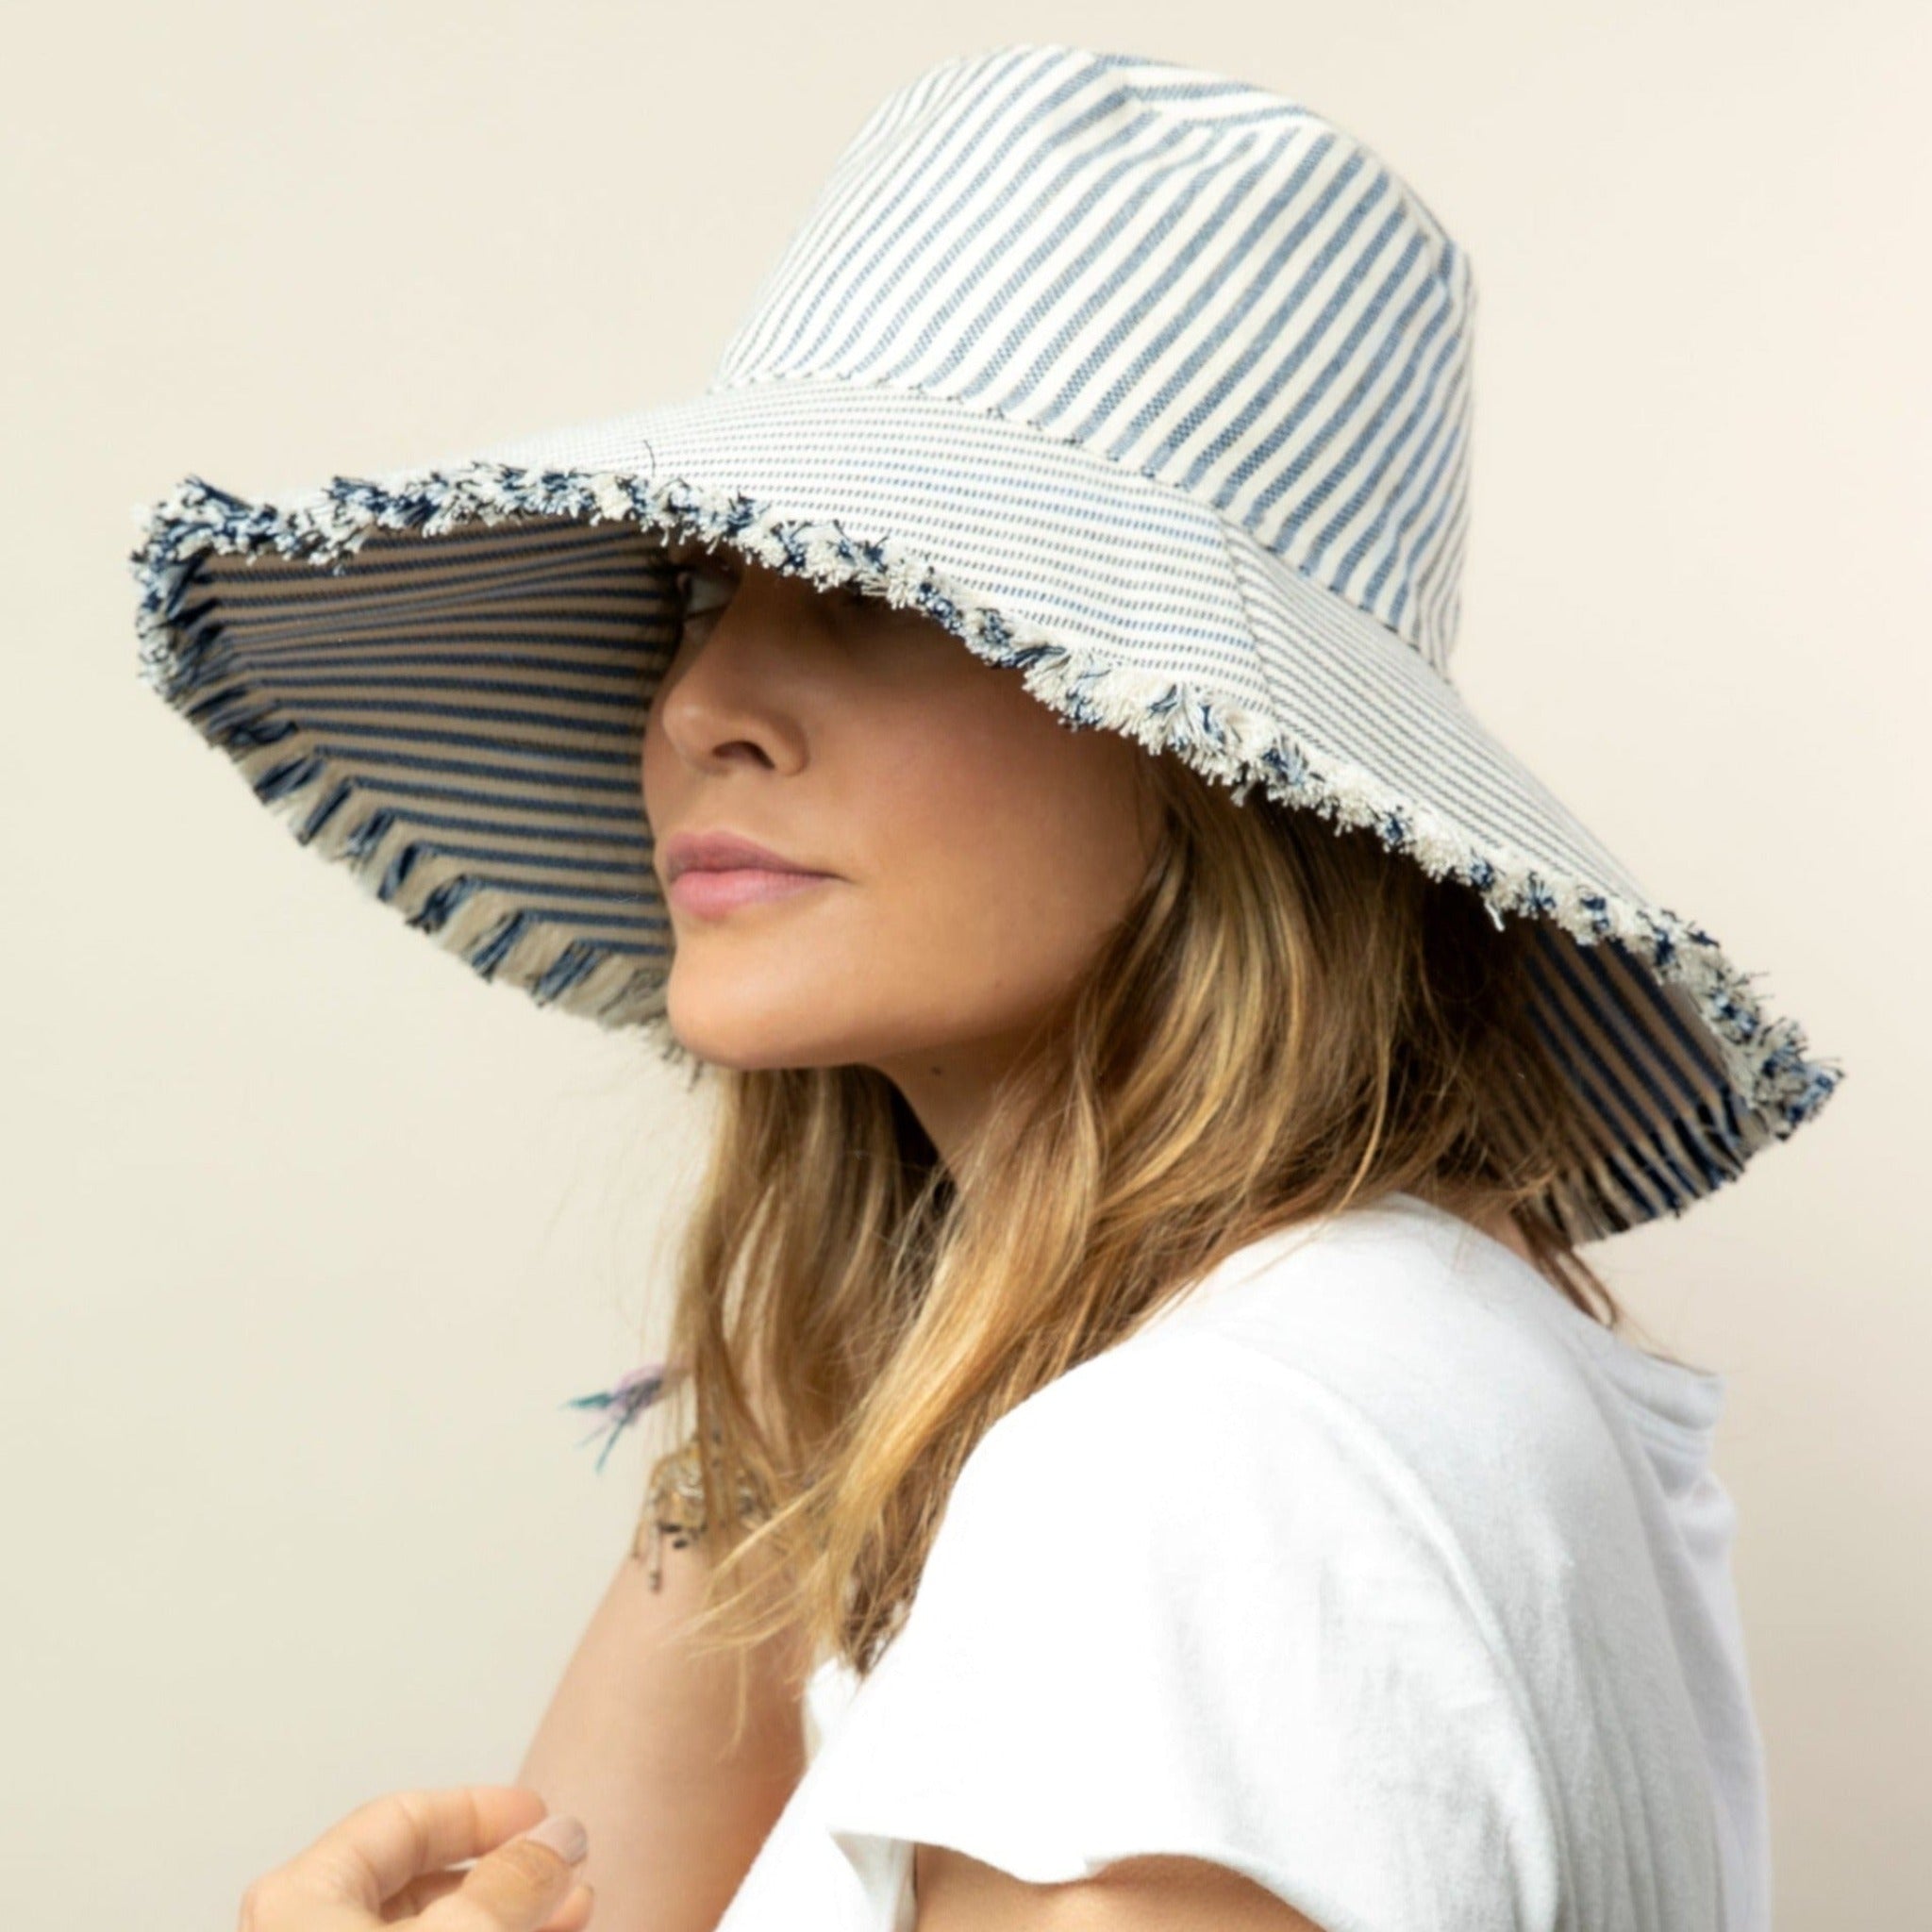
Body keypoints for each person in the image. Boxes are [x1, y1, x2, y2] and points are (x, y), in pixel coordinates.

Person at [133, 42, 1842, 1932]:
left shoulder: (1197, 1465)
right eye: (705, 592)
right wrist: (799, 1351)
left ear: (1210, 750)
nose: (699, 706)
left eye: (876, 593)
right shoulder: (1360, 1358)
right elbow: (596, 1879)